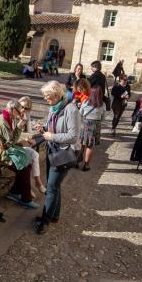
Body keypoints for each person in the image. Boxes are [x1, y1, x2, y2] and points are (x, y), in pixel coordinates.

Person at [35, 81, 81, 234]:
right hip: (53, 151)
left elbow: (73, 136)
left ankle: (45, 220)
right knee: (54, 186)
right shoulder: (54, 107)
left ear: (55, 95)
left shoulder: (71, 109)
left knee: (51, 187)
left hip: (64, 153)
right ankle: (54, 215)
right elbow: (52, 127)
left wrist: (52, 136)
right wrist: (44, 129)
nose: (45, 99)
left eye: (46, 96)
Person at [0, 100, 38, 209]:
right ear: (13, 110)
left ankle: (14, 192)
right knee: (24, 169)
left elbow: (11, 141)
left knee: (27, 165)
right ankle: (26, 199)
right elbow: (11, 141)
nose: (21, 115)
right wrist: (19, 127)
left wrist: (19, 127)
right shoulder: (3, 121)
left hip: (6, 148)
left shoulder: (9, 118)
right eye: (19, 112)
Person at [18, 96, 46, 194]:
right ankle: (30, 186)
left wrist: (29, 138)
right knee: (29, 160)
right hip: (13, 146)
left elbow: (29, 132)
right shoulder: (14, 116)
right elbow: (12, 135)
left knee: (34, 156)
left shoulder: (26, 117)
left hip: (22, 144)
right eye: (22, 107)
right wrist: (27, 138)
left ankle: (37, 183)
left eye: (26, 108)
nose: (23, 110)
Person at [79, 86, 105, 171]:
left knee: (82, 143)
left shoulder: (85, 102)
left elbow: (80, 114)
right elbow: (102, 118)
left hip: (85, 125)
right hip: (95, 126)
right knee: (90, 146)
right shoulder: (102, 104)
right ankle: (86, 165)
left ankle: (76, 161)